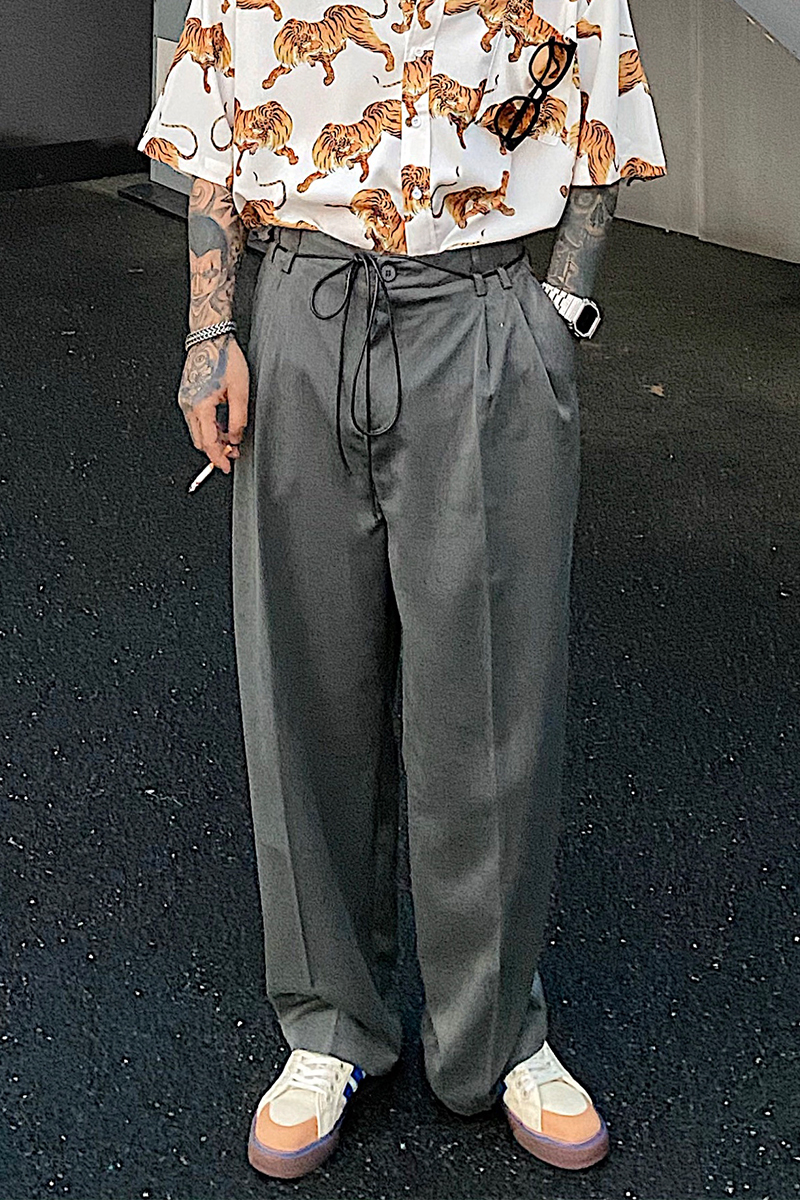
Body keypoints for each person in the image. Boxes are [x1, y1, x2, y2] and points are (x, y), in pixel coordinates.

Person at [138, 0, 666, 1180]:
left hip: (482, 312)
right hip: (303, 305)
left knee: (491, 700)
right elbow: (217, 127)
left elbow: (601, 124)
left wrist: (557, 310)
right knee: (306, 685)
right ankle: (328, 1025)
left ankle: (495, 1036)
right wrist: (209, 332)